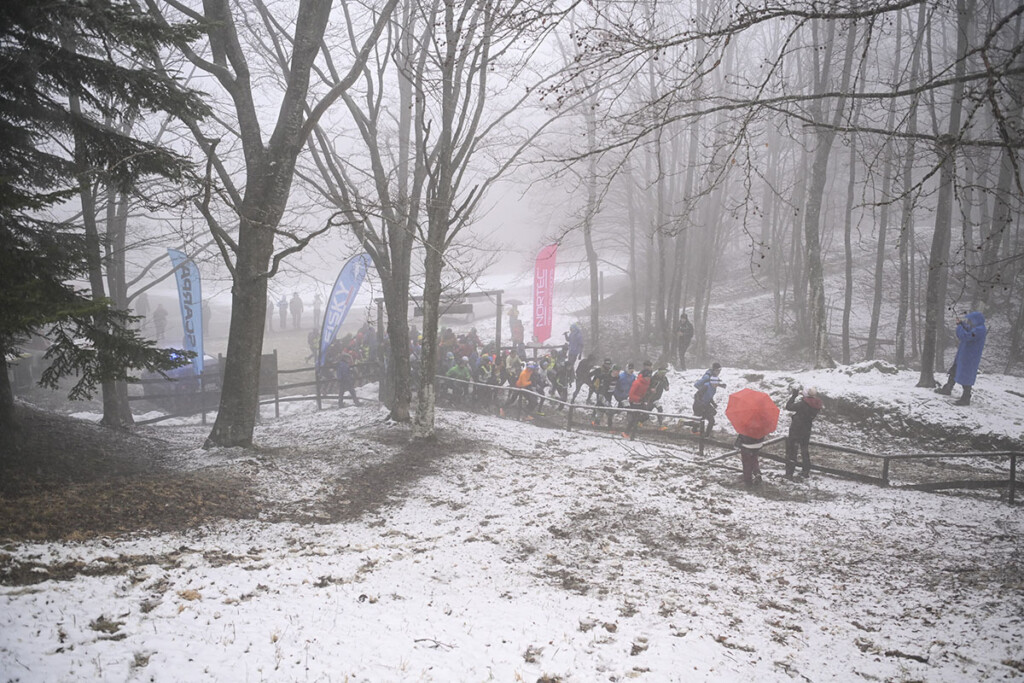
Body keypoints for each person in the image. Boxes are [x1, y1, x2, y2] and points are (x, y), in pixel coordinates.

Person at [935, 311, 987, 406]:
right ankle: (947, 388)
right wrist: (962, 324)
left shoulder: (980, 330)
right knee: (954, 370)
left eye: (971, 320)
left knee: (966, 376)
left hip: (970, 357)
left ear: (976, 320)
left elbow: (966, 336)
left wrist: (959, 327)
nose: (970, 322)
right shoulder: (977, 328)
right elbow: (969, 330)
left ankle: (966, 398)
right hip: (964, 354)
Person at [785, 386, 823, 478]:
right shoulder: (816, 404)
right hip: (806, 429)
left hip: (796, 429)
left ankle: (789, 473)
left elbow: (788, 406)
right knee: (804, 450)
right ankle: (806, 471)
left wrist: (794, 396)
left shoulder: (802, 404)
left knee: (792, 450)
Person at [692, 362, 725, 437]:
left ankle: (705, 433)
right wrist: (703, 393)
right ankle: (690, 425)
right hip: (699, 404)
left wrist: (713, 403)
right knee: (699, 421)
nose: (719, 372)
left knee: (710, 415)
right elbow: (697, 389)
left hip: (705, 403)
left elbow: (710, 394)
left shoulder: (713, 386)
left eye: (720, 371)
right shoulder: (707, 379)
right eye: (717, 371)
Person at [625, 361, 653, 437]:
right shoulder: (637, 383)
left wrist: (645, 396)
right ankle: (627, 432)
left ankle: (636, 425)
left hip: (641, 401)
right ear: (644, 377)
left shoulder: (647, 383)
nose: (648, 378)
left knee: (645, 416)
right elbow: (631, 395)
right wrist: (638, 399)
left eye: (649, 377)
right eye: (647, 377)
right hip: (634, 402)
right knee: (634, 418)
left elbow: (644, 392)